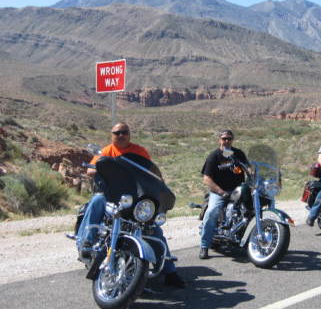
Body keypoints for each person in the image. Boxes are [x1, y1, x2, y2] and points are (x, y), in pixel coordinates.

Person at [77, 122, 185, 288]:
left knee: (154, 228)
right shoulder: (107, 151)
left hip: (134, 198)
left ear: (129, 134)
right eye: (117, 132)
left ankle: (170, 271)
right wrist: (103, 167)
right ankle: (87, 242)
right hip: (110, 195)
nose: (121, 135)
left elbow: (150, 173)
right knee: (96, 201)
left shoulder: (139, 151)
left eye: (124, 132)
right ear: (112, 134)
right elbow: (90, 171)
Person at [199, 130, 249, 259]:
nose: (227, 141)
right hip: (220, 191)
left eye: (229, 139)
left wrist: (256, 172)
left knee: (252, 206)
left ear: (233, 140)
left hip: (238, 189)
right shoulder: (214, 156)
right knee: (212, 211)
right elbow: (206, 179)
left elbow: (248, 168)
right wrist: (221, 192)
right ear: (219, 140)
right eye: (224, 138)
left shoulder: (237, 154)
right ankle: (204, 246)